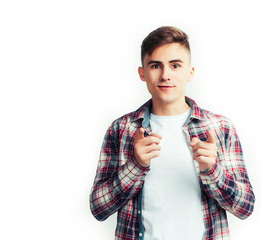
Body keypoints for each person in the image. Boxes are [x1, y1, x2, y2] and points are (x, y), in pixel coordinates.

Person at [89, 26, 255, 240]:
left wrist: (213, 171)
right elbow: (98, 209)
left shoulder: (219, 128)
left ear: (190, 73)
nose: (166, 75)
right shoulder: (121, 129)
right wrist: (135, 165)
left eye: (175, 65)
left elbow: (245, 208)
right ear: (142, 73)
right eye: (156, 65)